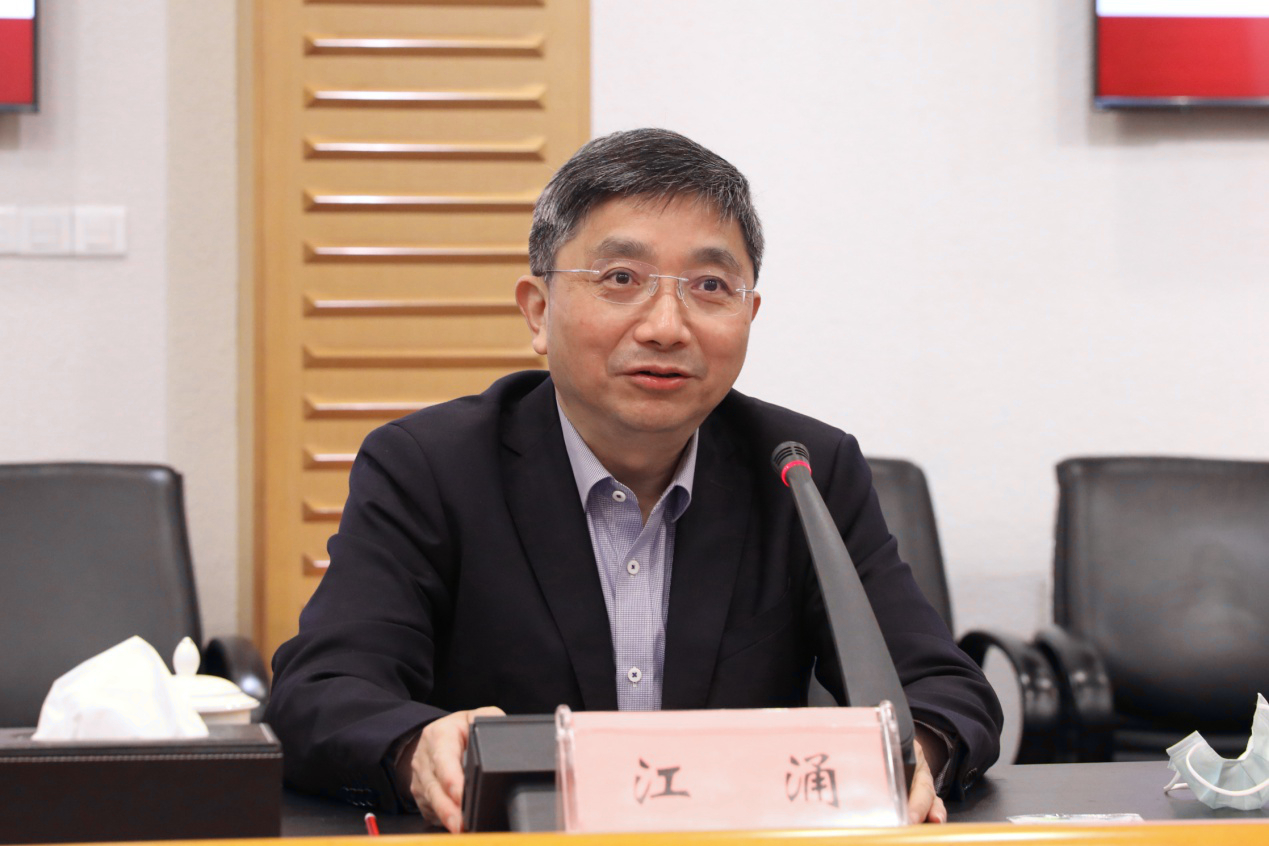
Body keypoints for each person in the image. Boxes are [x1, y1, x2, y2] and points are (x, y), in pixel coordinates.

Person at [265, 128, 1003, 830]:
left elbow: (943, 689)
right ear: (537, 311)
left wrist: (919, 750)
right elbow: (320, 693)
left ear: (749, 313)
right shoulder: (429, 467)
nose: (666, 326)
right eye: (620, 279)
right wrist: (414, 747)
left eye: (709, 285)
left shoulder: (803, 469)